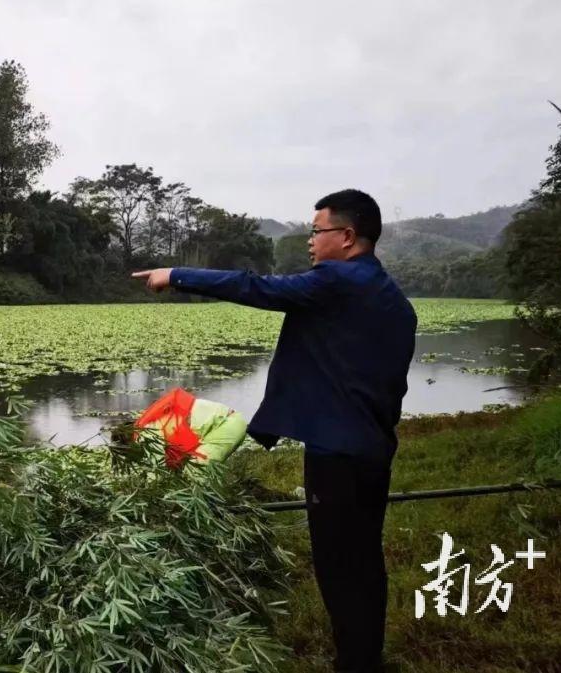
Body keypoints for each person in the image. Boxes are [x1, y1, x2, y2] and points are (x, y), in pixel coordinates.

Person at [133, 189, 416, 673]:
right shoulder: (395, 301)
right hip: (374, 450)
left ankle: (355, 663)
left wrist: (175, 275)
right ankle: (365, 656)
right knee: (366, 561)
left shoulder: (337, 282)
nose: (310, 241)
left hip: (336, 456)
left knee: (337, 567)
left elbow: (257, 288)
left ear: (347, 238)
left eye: (317, 230)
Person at [132, 387, 248, 468]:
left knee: (197, 470)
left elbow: (157, 468)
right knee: (196, 467)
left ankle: (210, 503)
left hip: (227, 425)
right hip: (232, 422)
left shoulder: (145, 434)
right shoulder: (151, 424)